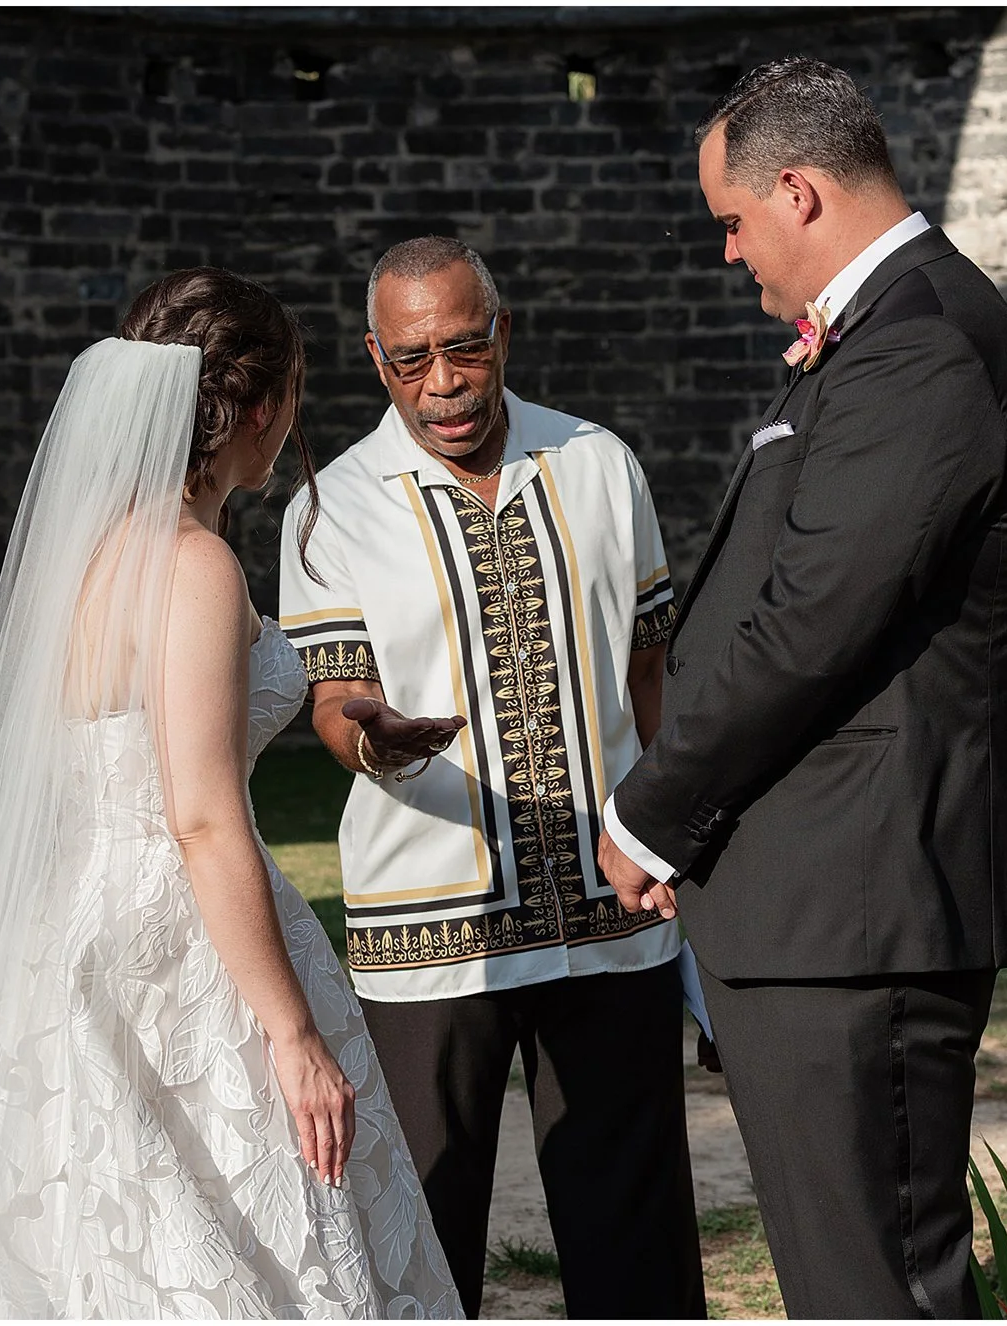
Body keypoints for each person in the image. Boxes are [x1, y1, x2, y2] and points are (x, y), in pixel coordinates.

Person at [0, 269, 461, 1319]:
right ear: (260, 407)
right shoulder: (192, 565)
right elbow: (197, 817)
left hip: (75, 926)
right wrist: (290, 1032)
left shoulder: (86, 558)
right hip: (179, 938)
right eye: (290, 400)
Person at [596, 59, 1007, 1318]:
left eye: (732, 223)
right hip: (821, 902)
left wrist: (651, 809)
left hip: (863, 905)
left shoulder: (922, 349)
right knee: (841, 1279)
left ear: (797, 192)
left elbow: (814, 622)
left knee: (876, 1287)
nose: (730, 255)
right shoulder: (882, 338)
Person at [278, 236, 705, 1319]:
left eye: (463, 347)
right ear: (375, 359)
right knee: (421, 1242)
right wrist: (371, 736)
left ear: (502, 333)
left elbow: (652, 665)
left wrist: (677, 848)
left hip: (615, 915)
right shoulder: (331, 508)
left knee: (638, 1243)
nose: (444, 382)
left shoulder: (601, 463)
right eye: (412, 359)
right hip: (431, 935)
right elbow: (335, 698)